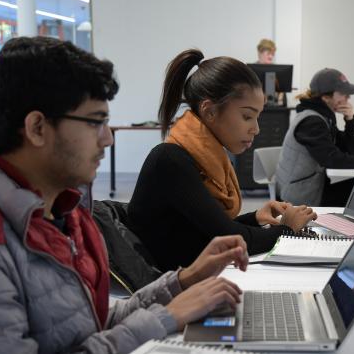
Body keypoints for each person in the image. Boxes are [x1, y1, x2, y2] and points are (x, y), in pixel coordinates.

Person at [0, 37, 250, 354]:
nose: (107, 140)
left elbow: (90, 323)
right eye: (95, 122)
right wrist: (165, 318)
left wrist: (183, 282)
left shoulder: (65, 215)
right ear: (37, 128)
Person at [127, 49, 316, 272]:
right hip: (164, 288)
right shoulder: (171, 160)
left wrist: (256, 218)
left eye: (257, 117)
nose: (255, 129)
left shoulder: (206, 155)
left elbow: (209, 227)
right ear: (209, 111)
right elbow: (231, 239)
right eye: (247, 116)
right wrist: (286, 229)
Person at [276, 68, 354, 206]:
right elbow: (332, 159)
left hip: (310, 185)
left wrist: (350, 120)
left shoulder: (322, 117)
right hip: (298, 195)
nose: (348, 98)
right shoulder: (312, 122)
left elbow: (352, 151)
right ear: (326, 97)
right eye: (343, 93)